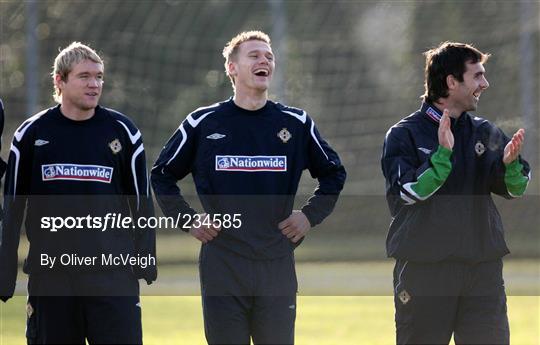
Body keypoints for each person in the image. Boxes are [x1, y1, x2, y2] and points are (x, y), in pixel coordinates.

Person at [151, 30, 346, 345]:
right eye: (254, 55)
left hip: (276, 262)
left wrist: (310, 215)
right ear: (232, 67)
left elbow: (334, 173)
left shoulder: (296, 123)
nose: (264, 60)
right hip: (222, 264)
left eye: (269, 56)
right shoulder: (202, 123)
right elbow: (161, 174)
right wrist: (188, 219)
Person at [0, 42, 156, 344]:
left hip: (112, 277)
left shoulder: (124, 131)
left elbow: (141, 203)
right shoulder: (31, 135)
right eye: (84, 76)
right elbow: (12, 211)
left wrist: (145, 258)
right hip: (52, 279)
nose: (94, 84)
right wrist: (5, 274)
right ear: (60, 80)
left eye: (99, 77)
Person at [381, 41, 530, 345]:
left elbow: (515, 189)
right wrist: (442, 156)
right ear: (451, 82)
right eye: (477, 76)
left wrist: (511, 167)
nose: (484, 84)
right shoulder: (403, 134)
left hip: (482, 272)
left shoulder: (484, 131)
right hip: (425, 272)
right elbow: (407, 192)